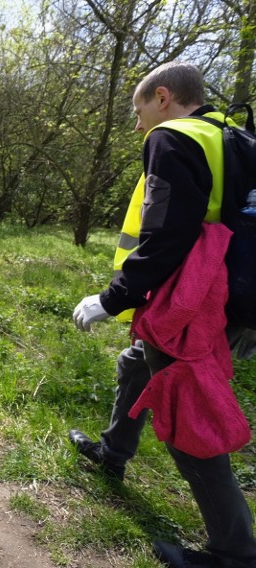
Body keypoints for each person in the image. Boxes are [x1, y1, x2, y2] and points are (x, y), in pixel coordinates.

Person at [69, 61, 256, 568]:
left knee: (187, 413)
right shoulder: (233, 136)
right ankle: (113, 453)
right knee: (136, 365)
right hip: (232, 294)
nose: (137, 125)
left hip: (192, 301)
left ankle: (234, 552)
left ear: (164, 97)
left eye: (139, 111)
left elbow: (167, 236)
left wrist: (112, 298)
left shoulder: (173, 138)